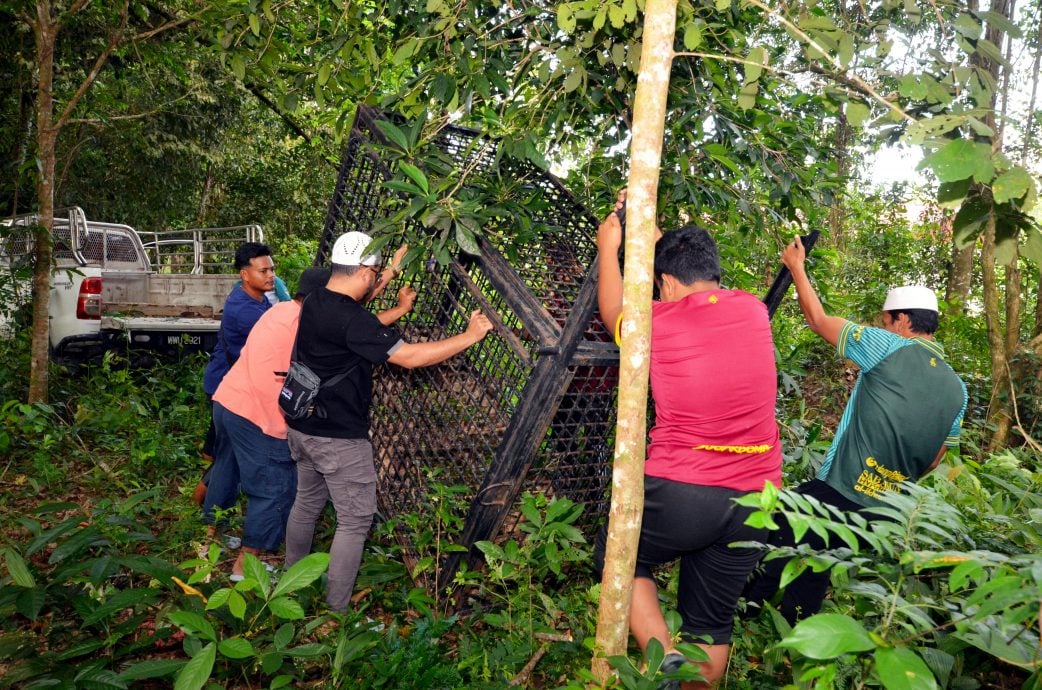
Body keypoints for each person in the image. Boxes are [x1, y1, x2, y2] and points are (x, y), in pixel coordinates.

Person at [592, 207, 783, 688]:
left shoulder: (660, 321)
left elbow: (612, 312)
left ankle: (669, 668)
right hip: (760, 495)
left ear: (667, 284)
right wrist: (661, 247)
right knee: (712, 620)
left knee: (616, 556)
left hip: (686, 488)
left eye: (659, 286)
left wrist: (607, 251)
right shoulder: (753, 310)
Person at [743, 235, 968, 625]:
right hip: (885, 509)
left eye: (886, 320)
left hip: (842, 485)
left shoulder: (888, 346)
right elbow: (935, 459)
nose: (882, 326)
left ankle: (740, 616)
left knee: (775, 524)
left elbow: (818, 320)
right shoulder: (958, 390)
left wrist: (797, 267)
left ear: (904, 321)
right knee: (816, 558)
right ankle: (794, 641)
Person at [283, 230, 494, 613]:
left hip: (302, 425)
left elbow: (356, 317)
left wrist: (392, 272)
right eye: (375, 272)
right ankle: (336, 614)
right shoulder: (353, 320)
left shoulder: (315, 300)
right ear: (364, 270)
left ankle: (289, 582)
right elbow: (410, 357)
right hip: (339, 439)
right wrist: (469, 336)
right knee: (354, 521)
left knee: (306, 502)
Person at [202, 267, 333, 579]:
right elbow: (355, 333)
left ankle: (205, 546)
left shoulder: (279, 310)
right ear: (320, 298)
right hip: (258, 417)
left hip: (228, 402)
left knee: (225, 472)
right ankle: (244, 569)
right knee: (275, 488)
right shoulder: (307, 324)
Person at [193, 242, 277, 506]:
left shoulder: (256, 298)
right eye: (263, 271)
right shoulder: (245, 310)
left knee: (227, 452)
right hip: (227, 387)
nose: (270, 275)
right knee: (231, 454)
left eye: (272, 269)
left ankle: (206, 505)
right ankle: (206, 507)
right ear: (244, 274)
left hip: (231, 383)